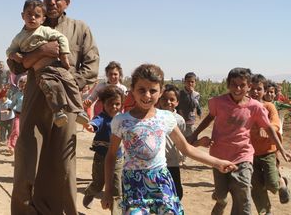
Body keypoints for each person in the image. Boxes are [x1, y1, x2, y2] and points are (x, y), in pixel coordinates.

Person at [9, 0, 99, 214]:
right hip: (35, 99)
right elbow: (15, 65)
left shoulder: (80, 29)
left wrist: (66, 84)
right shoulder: (30, 27)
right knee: (28, 157)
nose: (52, 2)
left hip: (66, 104)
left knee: (62, 163)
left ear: (67, 2)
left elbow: (91, 66)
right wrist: (40, 51)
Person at [101, 64, 237, 214]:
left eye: (153, 90)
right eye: (141, 90)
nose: (147, 95)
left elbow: (186, 148)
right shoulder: (121, 121)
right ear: (132, 90)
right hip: (133, 184)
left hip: (160, 180)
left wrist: (217, 162)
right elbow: (111, 155)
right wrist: (108, 190)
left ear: (160, 92)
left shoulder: (165, 118)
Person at [190, 67, 291, 215]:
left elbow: (269, 128)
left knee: (243, 194)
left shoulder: (255, 107)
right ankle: (220, 202)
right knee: (222, 196)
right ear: (228, 85)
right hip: (219, 155)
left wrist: (281, 149)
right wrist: (195, 134)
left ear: (248, 86)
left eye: (242, 85)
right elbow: (210, 117)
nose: (238, 88)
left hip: (243, 155)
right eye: (234, 84)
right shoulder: (218, 102)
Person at [7, 0, 89, 127]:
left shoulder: (44, 31)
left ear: (43, 19)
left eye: (37, 15)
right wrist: (14, 55)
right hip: (41, 72)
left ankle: (80, 111)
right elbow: (9, 50)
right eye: (29, 14)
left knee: (71, 84)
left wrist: (64, 55)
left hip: (57, 66)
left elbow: (61, 38)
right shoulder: (19, 37)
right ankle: (58, 112)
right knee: (51, 88)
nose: (32, 18)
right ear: (23, 16)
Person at [249, 74, 289, 214]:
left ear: (264, 91)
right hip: (249, 155)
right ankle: (265, 211)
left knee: (272, 183)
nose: (255, 92)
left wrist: (267, 128)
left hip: (269, 152)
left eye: (258, 89)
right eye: (252, 89)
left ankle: (281, 182)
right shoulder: (244, 107)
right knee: (255, 185)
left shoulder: (269, 106)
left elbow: (276, 123)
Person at [82, 85, 124, 214]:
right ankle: (90, 192)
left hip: (117, 158)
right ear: (103, 103)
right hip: (101, 158)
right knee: (98, 184)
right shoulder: (101, 118)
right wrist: (87, 123)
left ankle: (116, 212)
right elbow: (92, 126)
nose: (114, 107)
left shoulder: (122, 119)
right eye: (110, 104)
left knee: (117, 189)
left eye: (117, 104)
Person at [157, 84, 186, 200]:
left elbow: (181, 141)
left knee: (177, 193)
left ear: (177, 102)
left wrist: (181, 158)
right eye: (164, 99)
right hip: (157, 163)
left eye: (172, 99)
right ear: (159, 100)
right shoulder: (154, 116)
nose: (168, 102)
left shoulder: (179, 120)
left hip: (172, 162)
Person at [3, 76, 26, 156]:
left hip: (27, 117)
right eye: (21, 83)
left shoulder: (30, 94)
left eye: (24, 83)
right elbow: (13, 104)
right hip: (18, 115)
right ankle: (12, 146)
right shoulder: (17, 95)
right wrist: (8, 110)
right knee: (16, 130)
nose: (22, 85)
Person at [176, 72, 202, 142]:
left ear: (195, 83)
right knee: (180, 141)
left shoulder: (196, 94)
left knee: (191, 141)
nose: (190, 84)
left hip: (190, 122)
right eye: (188, 81)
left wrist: (191, 94)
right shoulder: (179, 93)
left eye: (192, 82)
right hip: (180, 121)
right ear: (184, 82)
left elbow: (194, 105)